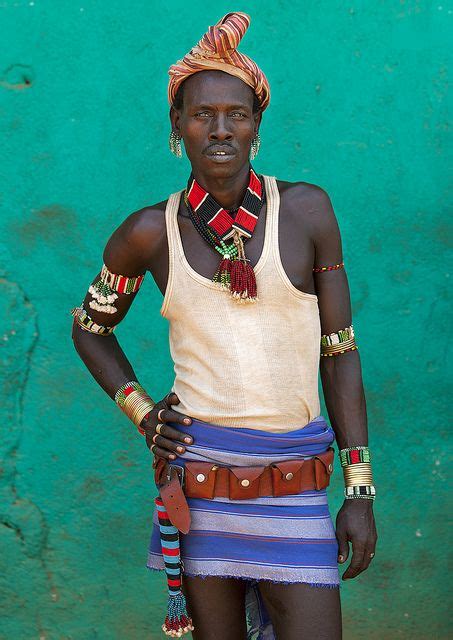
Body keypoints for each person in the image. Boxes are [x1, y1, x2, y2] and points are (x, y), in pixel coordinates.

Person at [71, 12, 377, 640]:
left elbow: (339, 352)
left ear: (258, 126)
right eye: (200, 113)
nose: (219, 129)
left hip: (296, 484)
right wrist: (144, 412)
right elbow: (89, 328)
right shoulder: (149, 234)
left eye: (236, 113)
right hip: (201, 485)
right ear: (176, 126)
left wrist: (360, 488)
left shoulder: (307, 213)